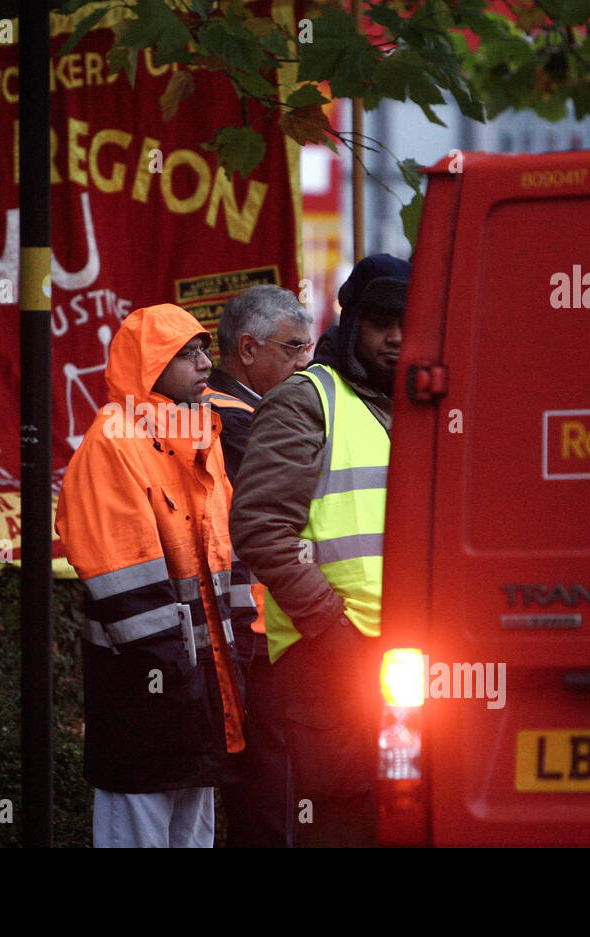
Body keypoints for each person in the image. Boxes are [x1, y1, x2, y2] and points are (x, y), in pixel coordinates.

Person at [55, 303, 256, 848]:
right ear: (150, 367)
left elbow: (228, 562)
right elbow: (127, 587)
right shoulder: (113, 447)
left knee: (192, 837)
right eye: (186, 353)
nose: (203, 363)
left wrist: (237, 663)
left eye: (203, 350)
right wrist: (183, 677)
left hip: (199, 693)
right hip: (143, 698)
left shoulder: (199, 438)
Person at [229, 254, 409, 848]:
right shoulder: (308, 398)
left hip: (407, 659)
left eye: (408, 322)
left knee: (406, 816)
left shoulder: (417, 406)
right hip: (331, 657)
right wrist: (332, 629)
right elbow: (261, 528)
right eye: (382, 322)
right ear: (352, 320)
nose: (397, 337)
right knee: (341, 823)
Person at [204, 284, 313, 848]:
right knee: (271, 784)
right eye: (293, 349)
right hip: (256, 625)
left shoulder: (247, 412)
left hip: (262, 621)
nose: (306, 361)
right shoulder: (230, 420)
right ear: (247, 350)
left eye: (308, 346)